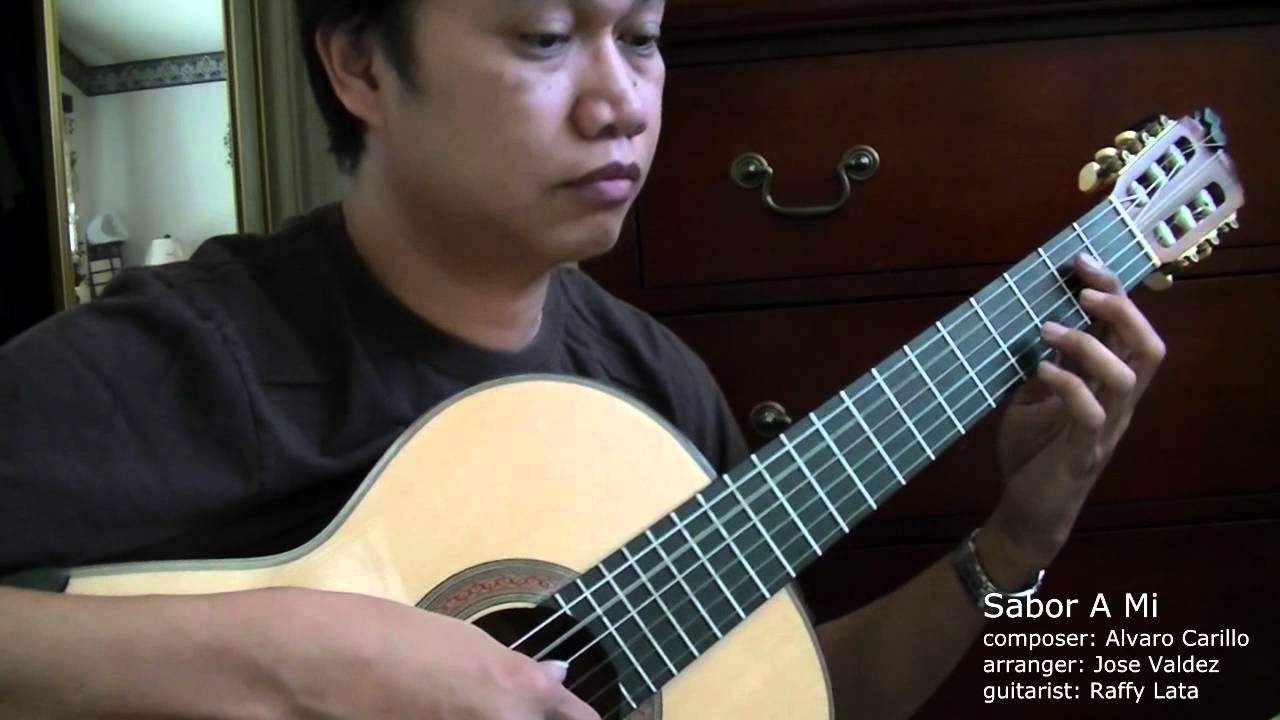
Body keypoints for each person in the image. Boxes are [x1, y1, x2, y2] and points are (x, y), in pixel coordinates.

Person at [0, 0, 1167, 717]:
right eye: (545, 38)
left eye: (643, 38)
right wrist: (294, 666)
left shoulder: (652, 397)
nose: (621, 104)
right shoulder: (189, 360)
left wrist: (1011, 546)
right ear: (361, 67)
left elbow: (777, 702)